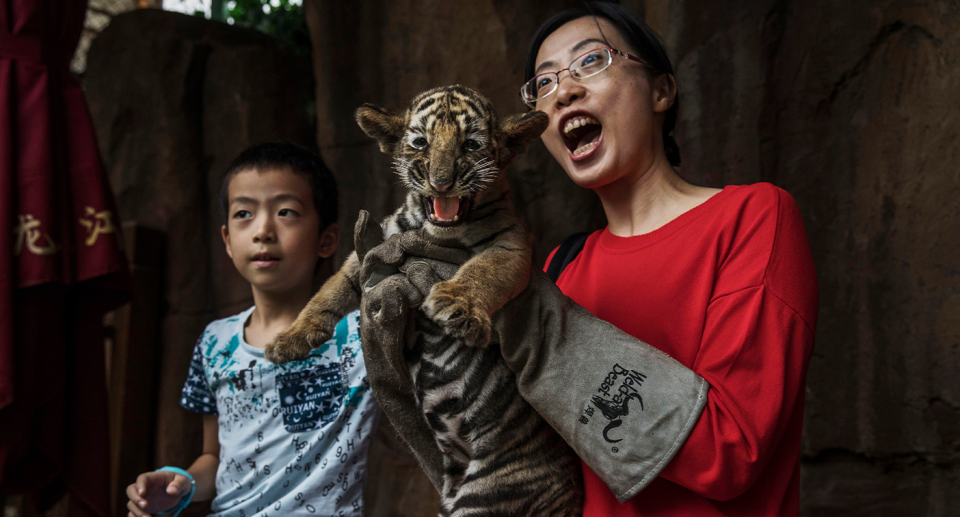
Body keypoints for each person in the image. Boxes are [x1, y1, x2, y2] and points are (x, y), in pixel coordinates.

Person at [357, 3, 818, 517]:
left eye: (591, 62)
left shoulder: (752, 217)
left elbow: (730, 451)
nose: (565, 92)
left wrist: (531, 318)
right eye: (544, 85)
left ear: (662, 90)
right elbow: (496, 456)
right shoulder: (558, 267)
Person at [124, 142, 379, 517]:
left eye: (286, 212)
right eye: (244, 213)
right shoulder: (215, 342)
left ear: (327, 239)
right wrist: (181, 484)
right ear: (227, 240)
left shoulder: (363, 334)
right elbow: (215, 457)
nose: (263, 230)